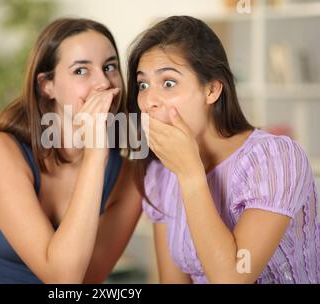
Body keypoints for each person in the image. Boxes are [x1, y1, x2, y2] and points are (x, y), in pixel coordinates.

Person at [0, 18, 142, 284]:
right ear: (47, 86)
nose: (103, 83)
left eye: (110, 67)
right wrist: (95, 154)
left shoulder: (129, 177)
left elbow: (82, 282)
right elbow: (62, 279)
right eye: (81, 71)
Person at [127, 15, 320, 283]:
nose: (148, 101)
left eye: (168, 83)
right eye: (143, 85)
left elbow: (231, 277)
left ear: (212, 90)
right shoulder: (160, 174)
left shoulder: (275, 159)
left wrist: (190, 172)